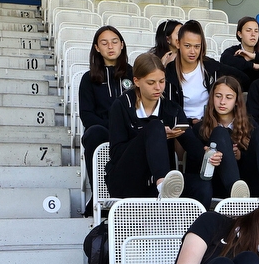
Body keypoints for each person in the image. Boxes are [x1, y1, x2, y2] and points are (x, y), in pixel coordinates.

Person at [106, 53, 200, 199]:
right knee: (155, 127)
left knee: (201, 186)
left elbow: (193, 148)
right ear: (136, 81)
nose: (158, 87)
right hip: (126, 182)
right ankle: (162, 185)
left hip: (155, 184)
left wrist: (208, 153)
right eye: (151, 83)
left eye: (162, 81)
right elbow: (116, 154)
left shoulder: (172, 109)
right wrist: (151, 137)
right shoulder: (122, 105)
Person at [190, 75, 259, 206]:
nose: (222, 102)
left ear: (237, 101)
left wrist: (240, 156)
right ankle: (235, 191)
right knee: (220, 132)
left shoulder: (250, 125)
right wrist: (210, 156)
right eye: (218, 96)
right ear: (212, 98)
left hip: (249, 184)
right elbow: (194, 165)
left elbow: (256, 158)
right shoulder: (200, 128)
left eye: (229, 97)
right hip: (219, 185)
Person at [164, 20, 249, 124]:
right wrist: (190, 123)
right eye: (187, 46)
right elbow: (170, 111)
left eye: (197, 46)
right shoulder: (170, 72)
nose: (192, 51)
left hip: (209, 125)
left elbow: (243, 79)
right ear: (178, 43)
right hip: (182, 128)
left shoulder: (211, 67)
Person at [78, 25, 130, 196]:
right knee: (92, 133)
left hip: (130, 130)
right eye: (104, 43)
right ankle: (98, 196)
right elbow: (87, 115)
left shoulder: (133, 74)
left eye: (114, 42)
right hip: (103, 131)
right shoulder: (88, 79)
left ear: (121, 45)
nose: (110, 47)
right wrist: (113, 128)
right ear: (97, 48)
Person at [219, 16, 259, 89]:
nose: (253, 34)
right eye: (248, 30)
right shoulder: (232, 51)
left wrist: (254, 56)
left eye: (256, 31)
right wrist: (253, 65)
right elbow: (224, 59)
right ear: (239, 34)